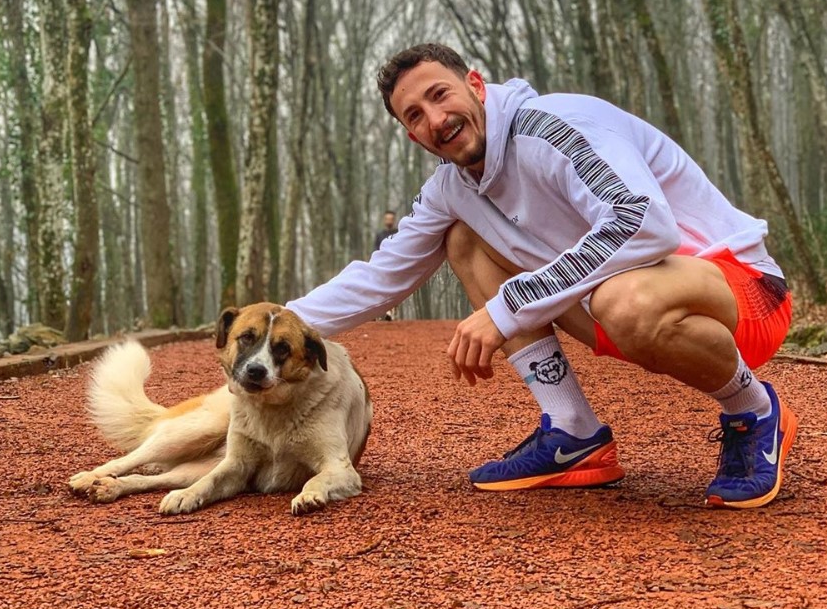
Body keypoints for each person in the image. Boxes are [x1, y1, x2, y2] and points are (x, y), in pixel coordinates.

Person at [287, 43, 796, 509]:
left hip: (742, 294)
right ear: (410, 134)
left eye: (440, 95)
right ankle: (573, 431)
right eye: (415, 115)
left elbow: (644, 223)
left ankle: (752, 409)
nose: (436, 120)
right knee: (462, 239)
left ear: (476, 85)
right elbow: (383, 275)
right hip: (616, 308)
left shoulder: (554, 125)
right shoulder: (451, 188)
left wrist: (507, 307)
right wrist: (274, 327)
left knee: (625, 300)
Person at [372, 210, 399, 322]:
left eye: (391, 219)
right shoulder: (380, 235)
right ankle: (377, 313)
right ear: (384, 220)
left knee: (394, 289)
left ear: (394, 220)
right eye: (387, 219)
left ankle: (390, 313)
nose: (389, 221)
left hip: (395, 265)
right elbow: (375, 250)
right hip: (382, 265)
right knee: (379, 289)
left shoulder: (398, 233)